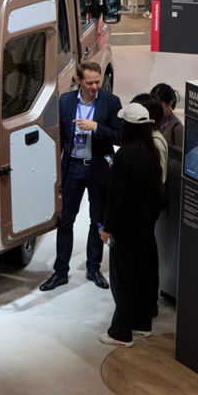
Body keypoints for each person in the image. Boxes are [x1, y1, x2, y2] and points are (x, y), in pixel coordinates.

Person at [39, 62, 121, 293]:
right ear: (79, 80)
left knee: (97, 220)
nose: (95, 86)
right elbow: (60, 136)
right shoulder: (65, 101)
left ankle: (93, 267)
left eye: (97, 82)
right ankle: (60, 271)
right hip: (74, 167)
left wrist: (96, 127)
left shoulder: (110, 102)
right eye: (90, 82)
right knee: (66, 220)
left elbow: (120, 135)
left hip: (98, 168)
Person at [98, 103, 164, 347]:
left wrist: (107, 229)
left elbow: (117, 198)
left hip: (125, 230)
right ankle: (141, 324)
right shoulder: (152, 151)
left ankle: (121, 332)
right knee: (142, 276)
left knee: (122, 280)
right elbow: (157, 192)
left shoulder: (124, 154)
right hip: (145, 227)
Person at [149, 82, 184, 149]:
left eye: (159, 105)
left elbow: (179, 157)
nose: (155, 108)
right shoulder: (149, 117)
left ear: (170, 103)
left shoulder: (177, 128)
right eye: (153, 104)